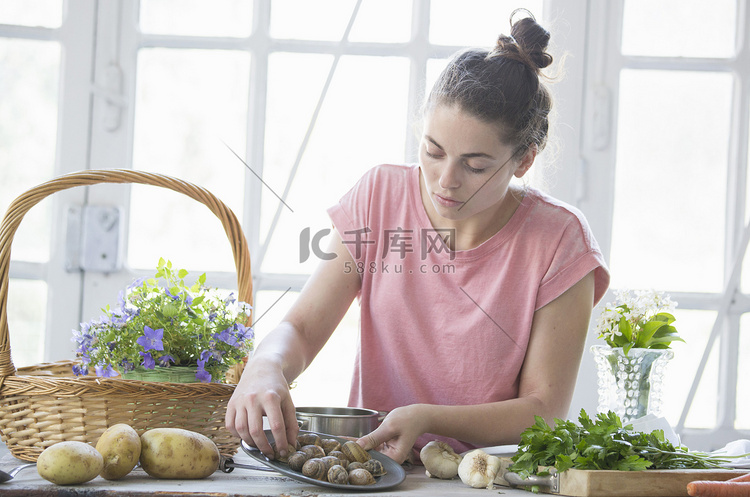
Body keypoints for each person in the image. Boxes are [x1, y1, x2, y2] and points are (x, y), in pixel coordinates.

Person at [226, 10, 610, 465]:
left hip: (484, 479)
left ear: (524, 160)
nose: (445, 180)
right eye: (433, 151)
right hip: (376, 470)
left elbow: (543, 413)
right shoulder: (379, 196)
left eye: (476, 165)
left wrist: (428, 418)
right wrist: (267, 364)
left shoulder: (560, 240)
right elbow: (302, 330)